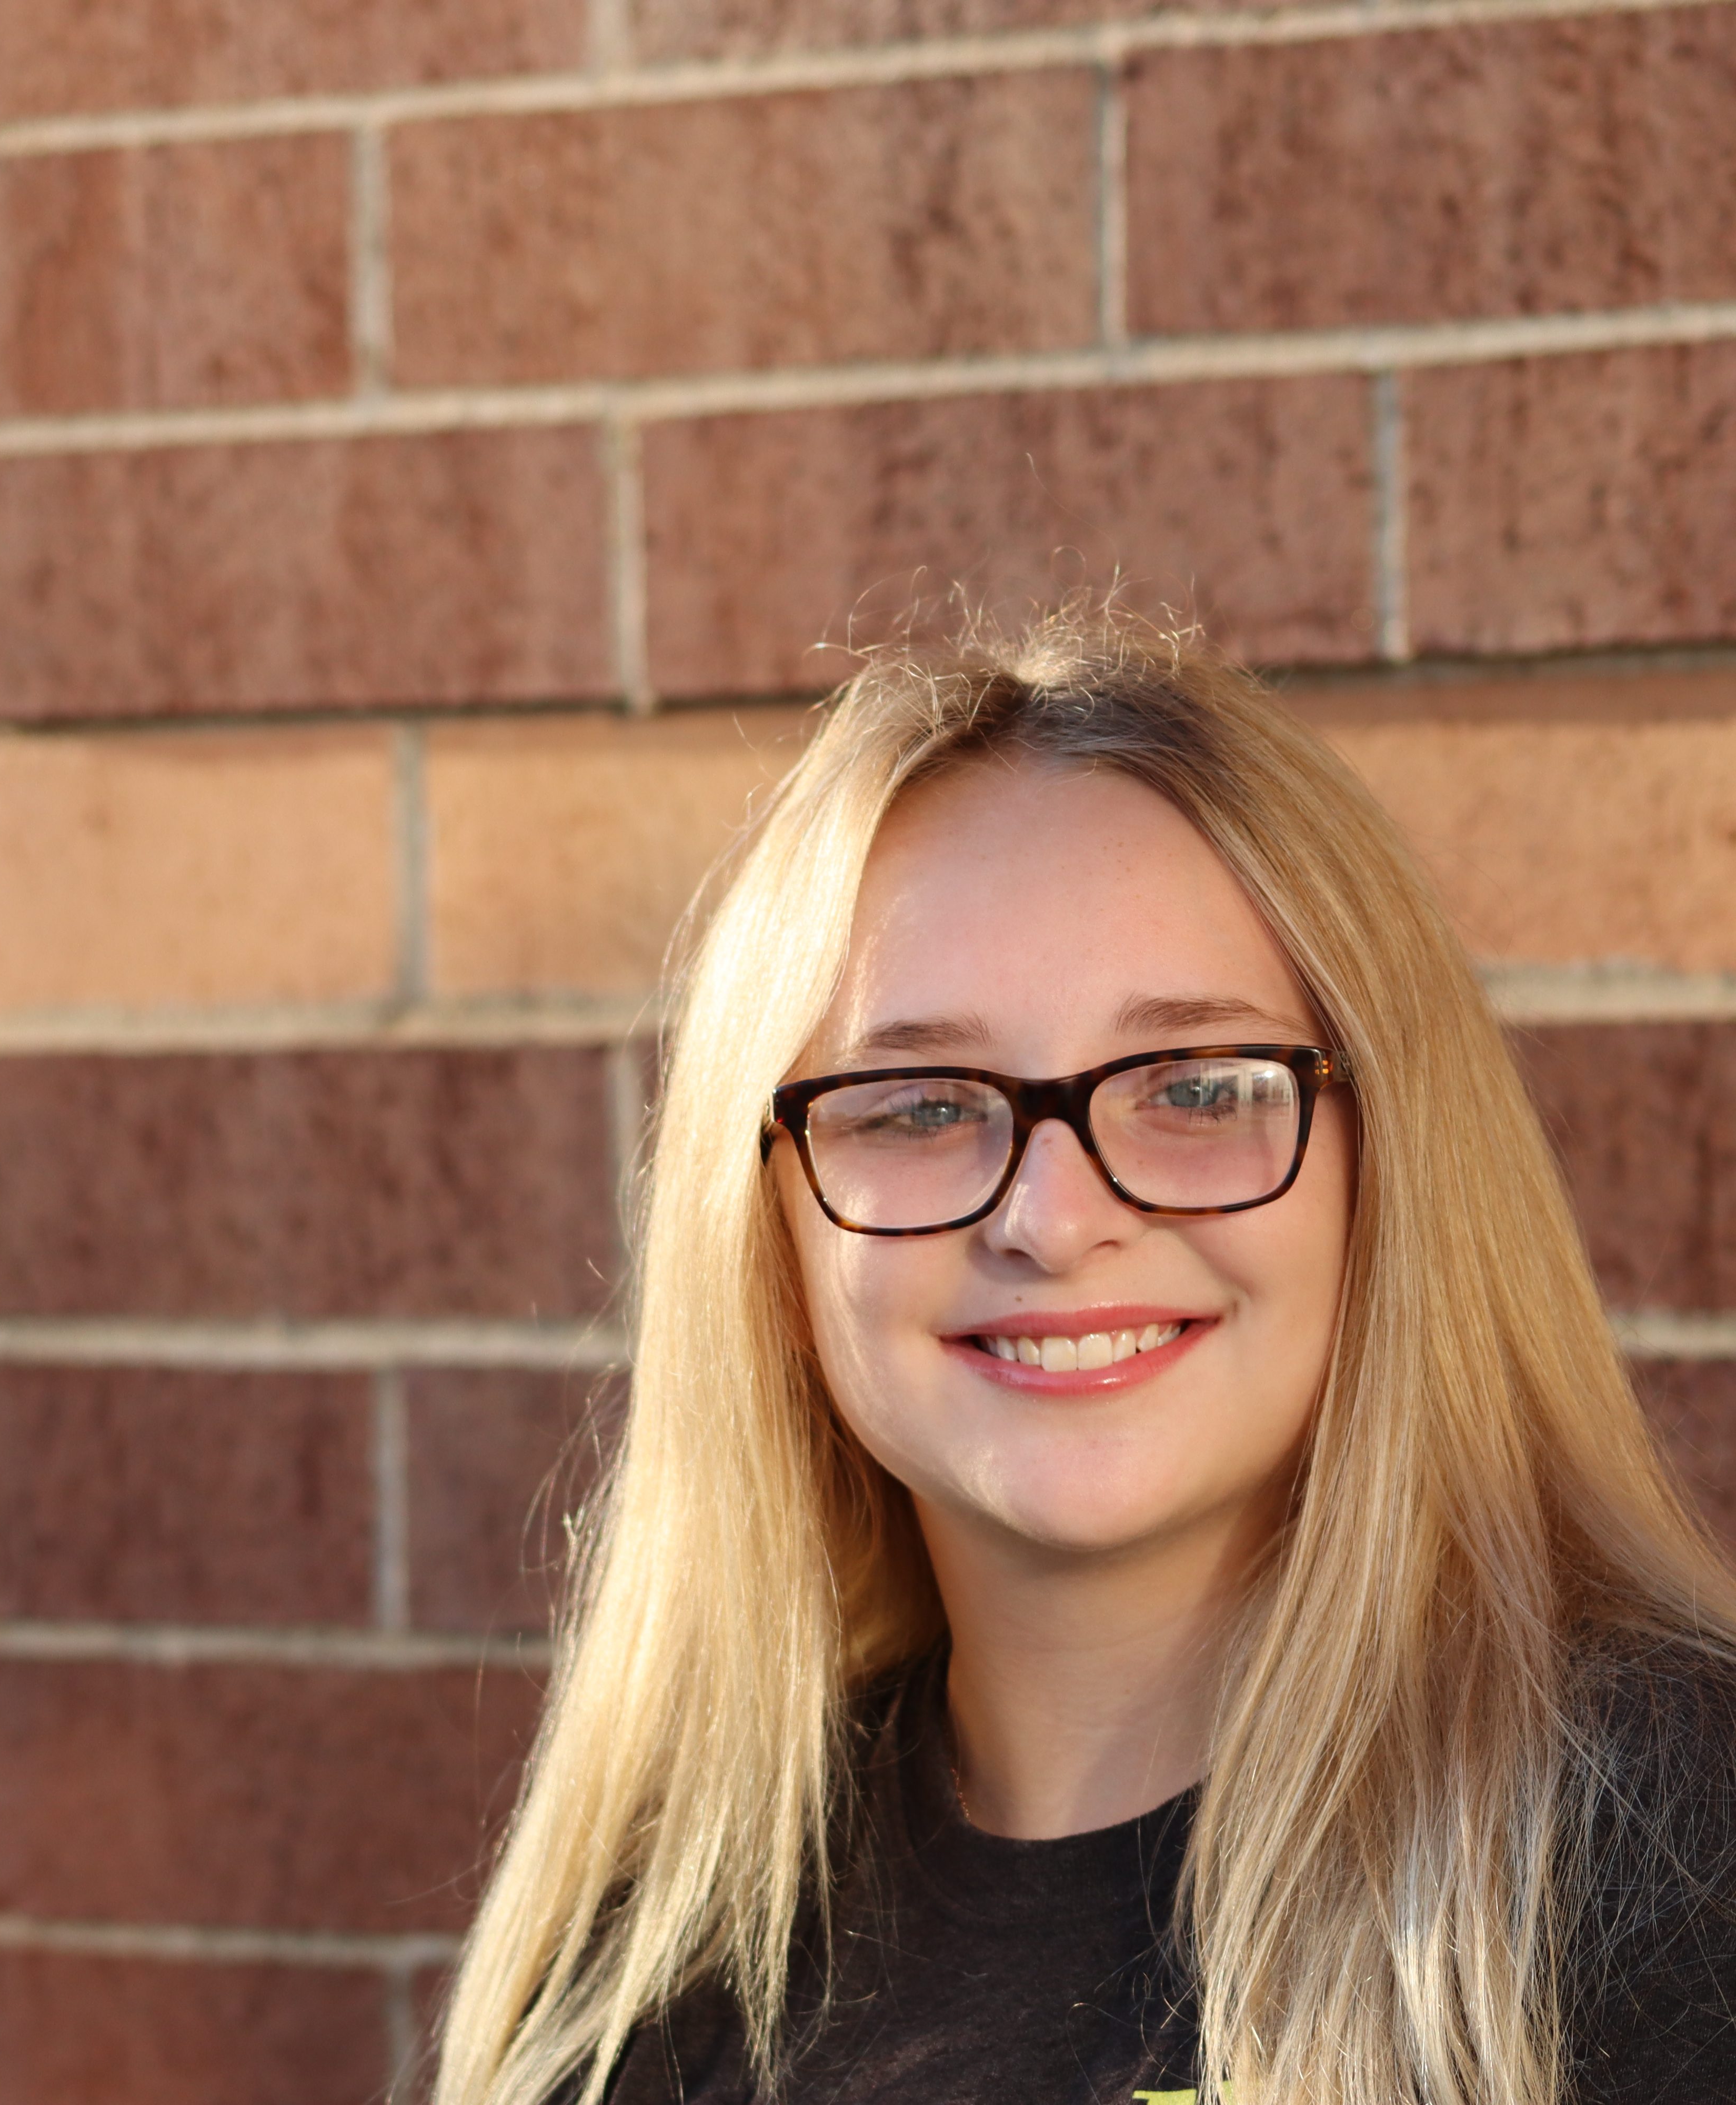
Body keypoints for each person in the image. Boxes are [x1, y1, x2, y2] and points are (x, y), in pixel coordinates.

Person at [434, 610, 1736, 2105]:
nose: (1055, 1221)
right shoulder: (653, 1963)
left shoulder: (1663, 1863)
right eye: (920, 1107)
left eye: (1196, 1085)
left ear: (1396, 1177)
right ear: (771, 1239)